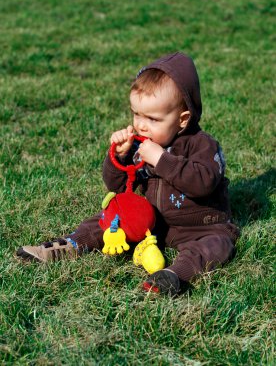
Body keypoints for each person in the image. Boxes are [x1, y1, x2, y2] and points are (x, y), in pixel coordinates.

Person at [17, 52, 239, 296]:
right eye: (136, 114)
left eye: (153, 118)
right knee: (108, 219)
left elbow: (203, 183)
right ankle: (69, 245)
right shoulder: (139, 145)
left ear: (182, 119)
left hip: (199, 228)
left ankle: (174, 275)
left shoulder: (202, 145)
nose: (141, 124)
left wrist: (161, 160)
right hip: (151, 223)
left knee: (217, 244)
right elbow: (117, 188)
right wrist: (120, 158)